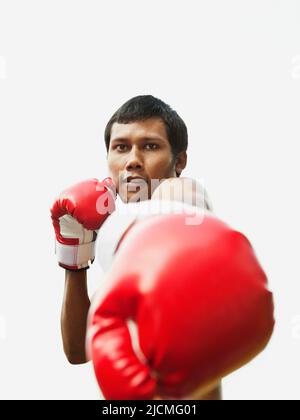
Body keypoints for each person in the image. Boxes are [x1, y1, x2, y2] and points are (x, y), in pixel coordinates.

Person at [51, 95, 228, 399]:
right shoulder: (124, 248)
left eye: (150, 146)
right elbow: (79, 351)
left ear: (180, 161)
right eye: (121, 147)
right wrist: (76, 256)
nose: (133, 159)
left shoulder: (183, 201)